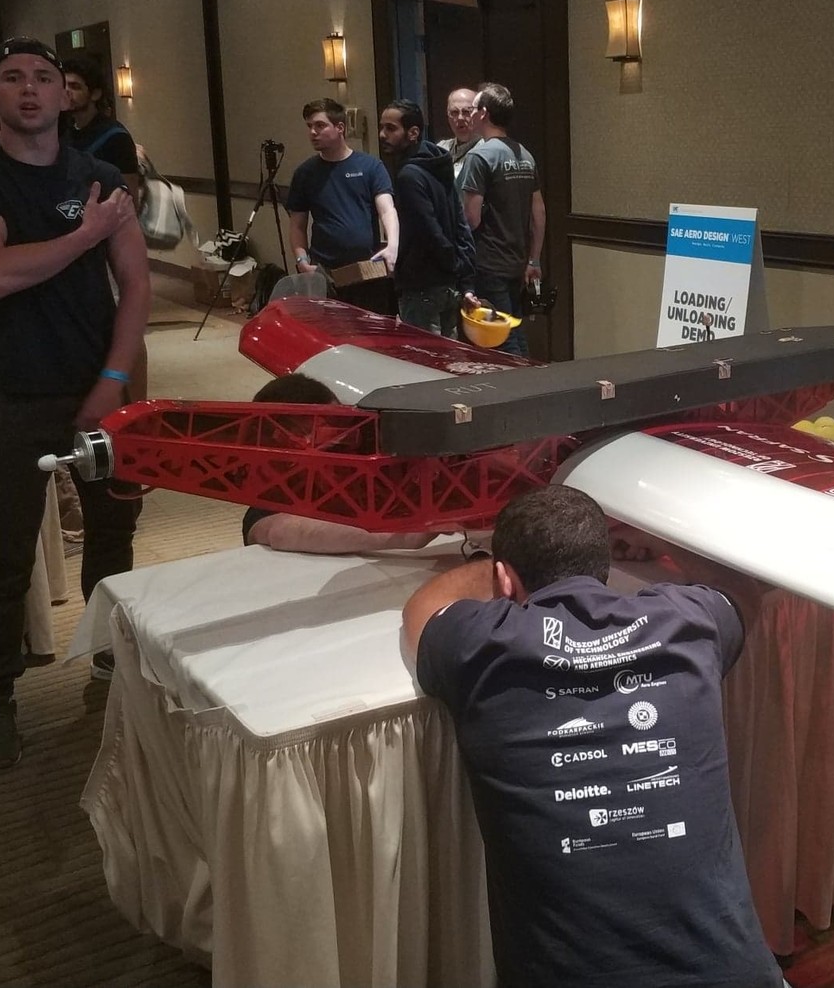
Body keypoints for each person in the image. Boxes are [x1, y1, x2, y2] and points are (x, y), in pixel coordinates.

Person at [403, 484, 781, 988]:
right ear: (601, 564)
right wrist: (653, 537)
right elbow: (742, 591)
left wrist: (491, 563)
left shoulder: (484, 646)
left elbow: (424, 607)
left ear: (505, 580)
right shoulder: (687, 621)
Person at [0, 37, 148, 769]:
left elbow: (136, 286)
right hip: (15, 392)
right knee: (4, 552)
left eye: (43, 77)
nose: (29, 89)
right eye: (12, 78)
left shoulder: (98, 175)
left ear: (64, 94)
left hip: (98, 387)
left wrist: (114, 380)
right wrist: (84, 233)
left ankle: (110, 654)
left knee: (113, 533)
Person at [240, 373, 437, 553]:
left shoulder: (367, 477)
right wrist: (401, 536)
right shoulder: (270, 501)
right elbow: (281, 531)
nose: (349, 444)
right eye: (330, 446)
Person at [286, 97, 399, 315]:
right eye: (309, 126)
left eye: (320, 125)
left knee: (369, 328)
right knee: (329, 328)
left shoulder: (370, 166)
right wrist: (301, 261)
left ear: (340, 128)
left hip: (367, 268)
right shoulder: (305, 173)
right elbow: (297, 225)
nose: (313, 132)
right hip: (325, 272)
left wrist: (392, 246)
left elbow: (387, 210)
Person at [458, 82, 545, 355]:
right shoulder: (525, 155)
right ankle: (529, 376)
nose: (469, 115)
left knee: (500, 339)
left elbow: (471, 218)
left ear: (484, 113)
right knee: (514, 329)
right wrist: (534, 260)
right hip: (517, 260)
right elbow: (539, 213)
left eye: (472, 109)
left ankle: (519, 381)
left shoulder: (479, 156)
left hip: (489, 262)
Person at [379, 99, 473, 338]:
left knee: (425, 355)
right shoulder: (439, 163)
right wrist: (461, 274)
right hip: (447, 284)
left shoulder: (409, 175)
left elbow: (429, 230)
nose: (382, 135)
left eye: (390, 128)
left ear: (413, 133)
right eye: (382, 127)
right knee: (448, 355)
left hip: (422, 284)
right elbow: (460, 224)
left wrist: (452, 265)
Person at [63, 55, 142, 204]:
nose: (66, 92)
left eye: (75, 87)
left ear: (95, 94)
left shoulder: (116, 138)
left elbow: (130, 199)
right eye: (64, 85)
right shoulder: (65, 131)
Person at [438, 86, 480, 186]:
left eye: (466, 112)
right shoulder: (440, 150)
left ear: (479, 114)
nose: (460, 118)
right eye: (454, 112)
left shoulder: (488, 151)